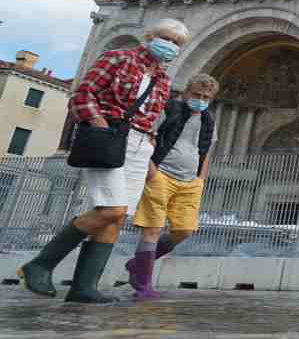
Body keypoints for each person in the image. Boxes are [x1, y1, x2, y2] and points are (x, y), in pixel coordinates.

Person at [19, 19, 188, 303]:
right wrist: (97, 122)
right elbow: (82, 94)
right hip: (108, 136)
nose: (170, 46)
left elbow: (151, 118)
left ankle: (84, 287)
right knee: (111, 209)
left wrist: (148, 149)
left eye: (177, 43)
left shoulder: (163, 78)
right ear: (149, 36)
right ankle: (40, 263)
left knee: (118, 215)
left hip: (139, 146)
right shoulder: (118, 57)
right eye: (166, 38)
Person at [122, 73, 220, 299]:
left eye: (206, 97)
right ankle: (143, 285)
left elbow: (205, 153)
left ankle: (138, 264)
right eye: (196, 94)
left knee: (184, 230)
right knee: (153, 229)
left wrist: (200, 180)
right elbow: (147, 137)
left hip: (190, 182)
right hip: (161, 175)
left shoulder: (209, 121)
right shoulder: (169, 109)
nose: (201, 100)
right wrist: (151, 170)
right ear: (186, 93)